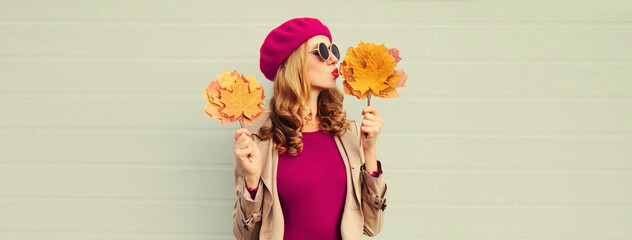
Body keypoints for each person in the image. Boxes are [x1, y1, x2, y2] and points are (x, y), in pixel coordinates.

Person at [232, 17, 387, 240]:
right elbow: (244, 235)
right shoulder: (258, 139)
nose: (333, 58)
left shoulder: (348, 133)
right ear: (294, 62)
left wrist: (370, 150)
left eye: (333, 49)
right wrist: (252, 179)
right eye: (321, 50)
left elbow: (373, 226)